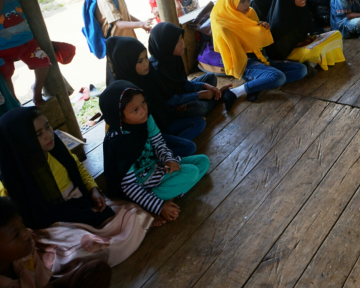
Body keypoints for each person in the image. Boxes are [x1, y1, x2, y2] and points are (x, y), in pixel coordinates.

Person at [0, 107, 152, 273]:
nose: (48, 135)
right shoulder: (12, 177)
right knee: (82, 248)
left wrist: (93, 190)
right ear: (21, 141)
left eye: (48, 126)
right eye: (38, 134)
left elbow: (78, 168)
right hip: (50, 223)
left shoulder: (57, 151)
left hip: (79, 202)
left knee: (133, 215)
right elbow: (19, 216)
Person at [101, 81, 210, 227]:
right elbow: (128, 186)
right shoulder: (120, 143)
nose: (143, 110)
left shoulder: (145, 120)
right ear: (119, 116)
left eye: (143, 102)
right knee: (192, 172)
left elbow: (158, 142)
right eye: (135, 110)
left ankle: (168, 196)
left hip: (155, 168)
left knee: (203, 161)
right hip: (140, 185)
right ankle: (150, 205)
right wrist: (159, 206)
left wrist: (168, 159)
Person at [105, 37, 202, 158]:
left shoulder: (149, 75)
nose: (146, 63)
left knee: (199, 121)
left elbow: (165, 100)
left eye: (146, 57)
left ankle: (166, 147)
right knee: (189, 147)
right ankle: (157, 157)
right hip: (147, 136)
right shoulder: (124, 93)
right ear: (127, 63)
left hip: (163, 122)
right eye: (140, 61)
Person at [210, 0, 307, 102]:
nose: (247, 4)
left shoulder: (250, 13)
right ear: (231, 1)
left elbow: (257, 41)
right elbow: (233, 50)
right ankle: (235, 92)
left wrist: (261, 27)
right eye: (242, 1)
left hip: (262, 58)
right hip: (245, 64)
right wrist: (252, 32)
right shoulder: (221, 22)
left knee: (301, 70)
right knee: (278, 77)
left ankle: (259, 84)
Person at [0, 197, 112, 288]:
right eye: (15, 235)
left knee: (97, 271)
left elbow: (43, 284)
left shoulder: (26, 250)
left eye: (22, 226)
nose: (25, 234)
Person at [149, 22, 236, 113]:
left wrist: (204, 85)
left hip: (182, 92)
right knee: (200, 108)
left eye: (181, 38)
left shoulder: (173, 57)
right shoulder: (158, 70)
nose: (182, 43)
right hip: (172, 105)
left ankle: (214, 96)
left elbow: (184, 84)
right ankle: (219, 96)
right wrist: (198, 95)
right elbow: (170, 100)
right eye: (177, 41)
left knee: (211, 77)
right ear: (166, 45)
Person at [264, 0, 344, 75]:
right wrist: (306, 42)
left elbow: (308, 31)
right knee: (313, 51)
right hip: (289, 53)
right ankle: (311, 60)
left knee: (336, 34)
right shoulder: (280, 17)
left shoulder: (301, 9)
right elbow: (281, 48)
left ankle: (313, 61)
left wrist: (310, 39)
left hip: (305, 43)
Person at [0, 0, 50, 106]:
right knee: (6, 76)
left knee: (43, 62)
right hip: (2, 47)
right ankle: (15, 103)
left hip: (25, 39)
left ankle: (37, 92)